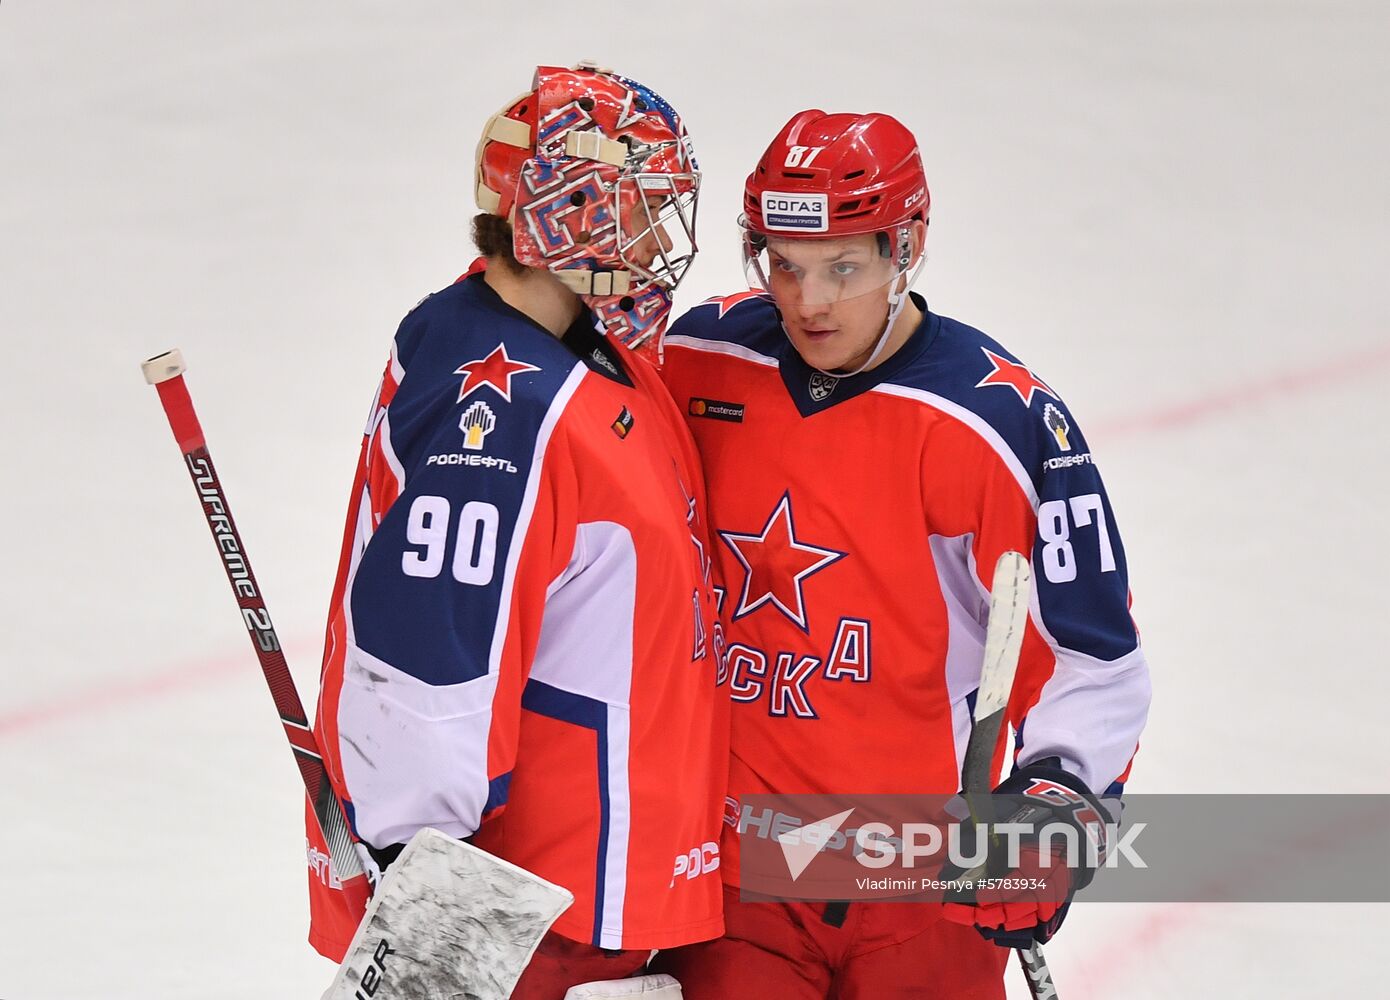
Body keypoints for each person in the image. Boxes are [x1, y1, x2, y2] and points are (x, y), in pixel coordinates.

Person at [649, 110, 1152, 998]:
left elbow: (1094, 661)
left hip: (922, 891)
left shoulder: (998, 424)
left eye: (845, 267)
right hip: (736, 883)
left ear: (907, 246)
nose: (808, 301)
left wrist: (1054, 817)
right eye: (784, 265)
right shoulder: (698, 361)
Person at [304, 64, 728, 999]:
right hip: (516, 926)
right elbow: (428, 656)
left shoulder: (553, 343)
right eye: (640, 208)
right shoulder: (506, 404)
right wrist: (428, 908)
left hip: (583, 902)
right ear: (566, 217)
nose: (662, 238)